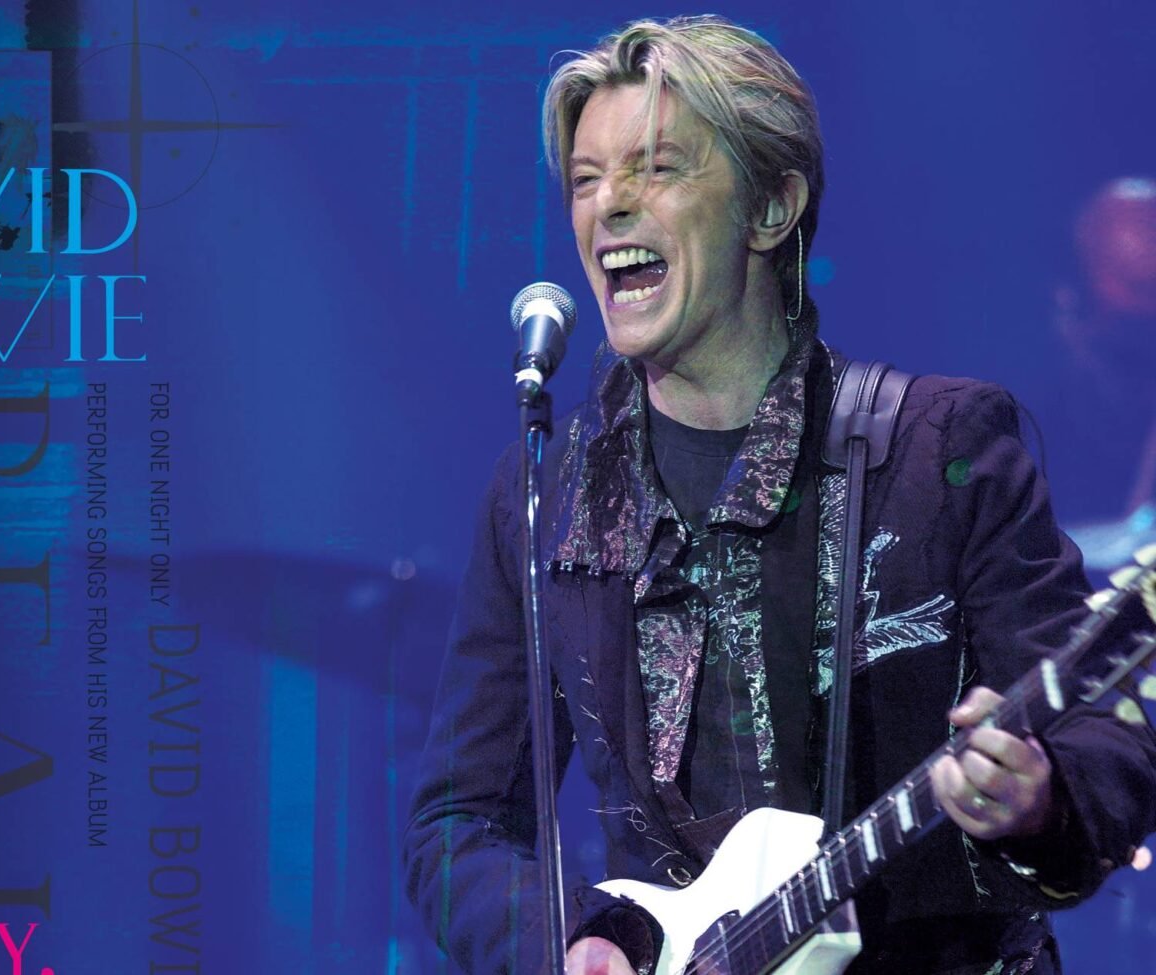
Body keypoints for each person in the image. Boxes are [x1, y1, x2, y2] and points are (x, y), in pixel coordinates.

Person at [403, 15, 1156, 975]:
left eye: (656, 169)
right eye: (586, 180)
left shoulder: (935, 451)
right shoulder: (550, 496)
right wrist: (578, 941)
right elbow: (458, 820)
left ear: (771, 207)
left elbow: (1106, 743)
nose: (609, 207)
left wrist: (1039, 797)